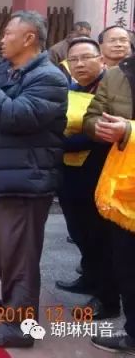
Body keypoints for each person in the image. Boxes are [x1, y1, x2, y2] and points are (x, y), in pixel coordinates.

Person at [0, 10, 68, 349]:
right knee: (5, 250)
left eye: (9, 33)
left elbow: (14, 115)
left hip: (26, 180)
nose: (2, 38)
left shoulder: (49, 78)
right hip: (4, 176)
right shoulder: (9, 70)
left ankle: (20, 326)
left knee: (19, 255)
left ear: (29, 39)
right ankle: (12, 302)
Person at [53, 38, 119, 321]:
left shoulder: (113, 91)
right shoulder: (71, 89)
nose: (79, 65)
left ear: (101, 60)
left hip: (100, 172)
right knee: (79, 231)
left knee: (100, 237)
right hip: (70, 173)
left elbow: (100, 135)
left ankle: (108, 300)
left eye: (86, 58)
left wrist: (56, 143)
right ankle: (89, 279)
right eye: (74, 59)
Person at [82, 51, 135, 354]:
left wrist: (128, 130)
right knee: (127, 264)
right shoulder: (116, 75)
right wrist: (98, 128)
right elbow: (92, 115)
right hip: (125, 187)